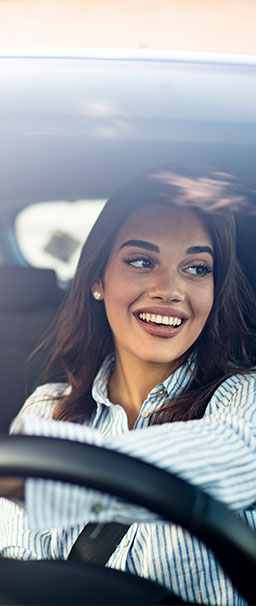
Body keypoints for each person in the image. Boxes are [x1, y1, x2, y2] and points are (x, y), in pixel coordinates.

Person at [0, 165, 256, 605]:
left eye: (196, 268)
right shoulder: (47, 410)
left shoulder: (243, 399)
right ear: (98, 279)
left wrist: (42, 480)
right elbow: (15, 559)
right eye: (141, 261)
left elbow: (239, 452)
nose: (170, 290)